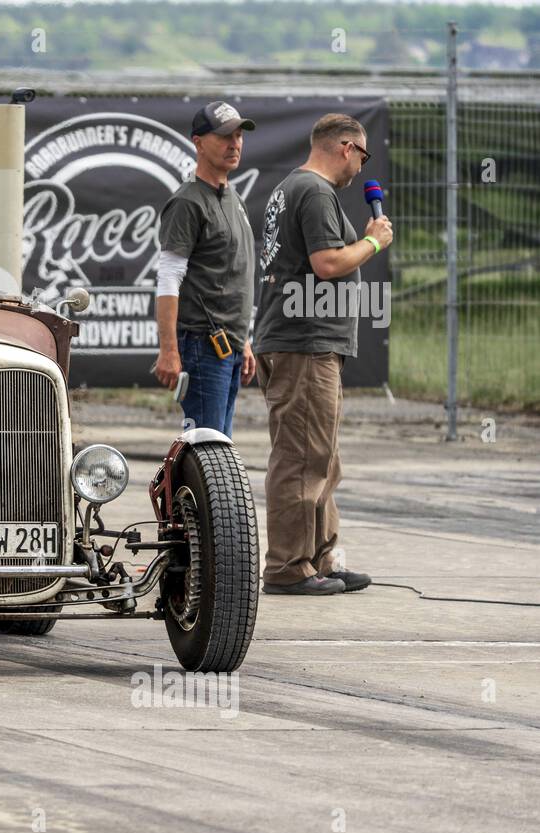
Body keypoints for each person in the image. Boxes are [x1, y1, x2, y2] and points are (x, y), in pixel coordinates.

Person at [254, 113, 393, 596]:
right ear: (347, 148)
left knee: (322, 456)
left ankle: (320, 557)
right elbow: (327, 263)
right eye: (362, 155)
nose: (361, 167)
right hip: (304, 341)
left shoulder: (291, 188)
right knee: (300, 456)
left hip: (300, 338)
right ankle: (288, 566)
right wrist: (374, 240)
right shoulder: (314, 192)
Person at [153, 101, 258, 436]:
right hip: (202, 345)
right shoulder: (187, 201)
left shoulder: (232, 196)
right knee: (207, 448)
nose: (235, 143)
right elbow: (169, 277)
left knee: (219, 450)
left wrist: (244, 341)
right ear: (198, 142)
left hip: (228, 344)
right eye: (225, 135)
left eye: (239, 135)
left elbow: (229, 277)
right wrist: (169, 350)